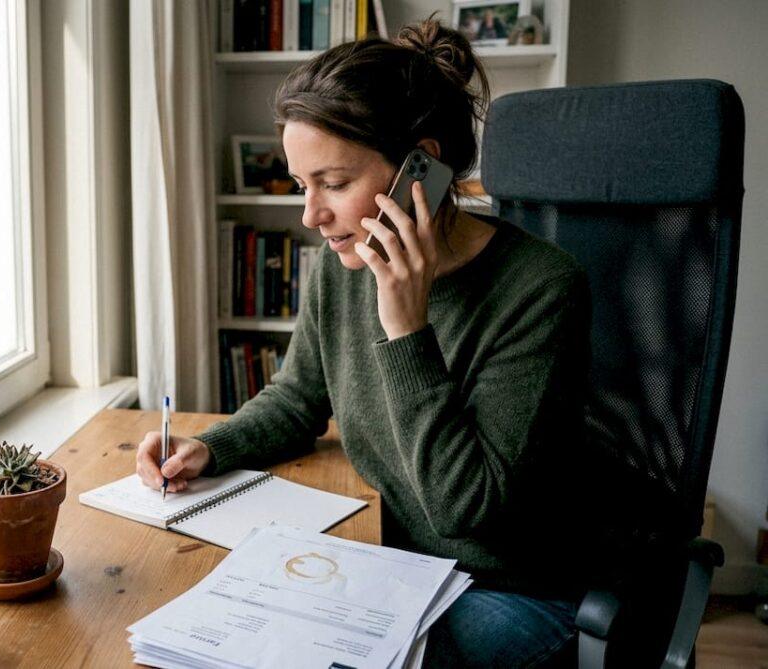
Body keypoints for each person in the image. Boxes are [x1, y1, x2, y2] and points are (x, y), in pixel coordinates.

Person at [135, 17, 600, 668]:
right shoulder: (343, 266)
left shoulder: (542, 289)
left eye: (333, 183)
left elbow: (465, 510)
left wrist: (407, 326)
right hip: (392, 562)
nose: (311, 215)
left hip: (509, 586)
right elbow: (298, 398)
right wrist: (211, 447)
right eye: (303, 185)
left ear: (421, 168)